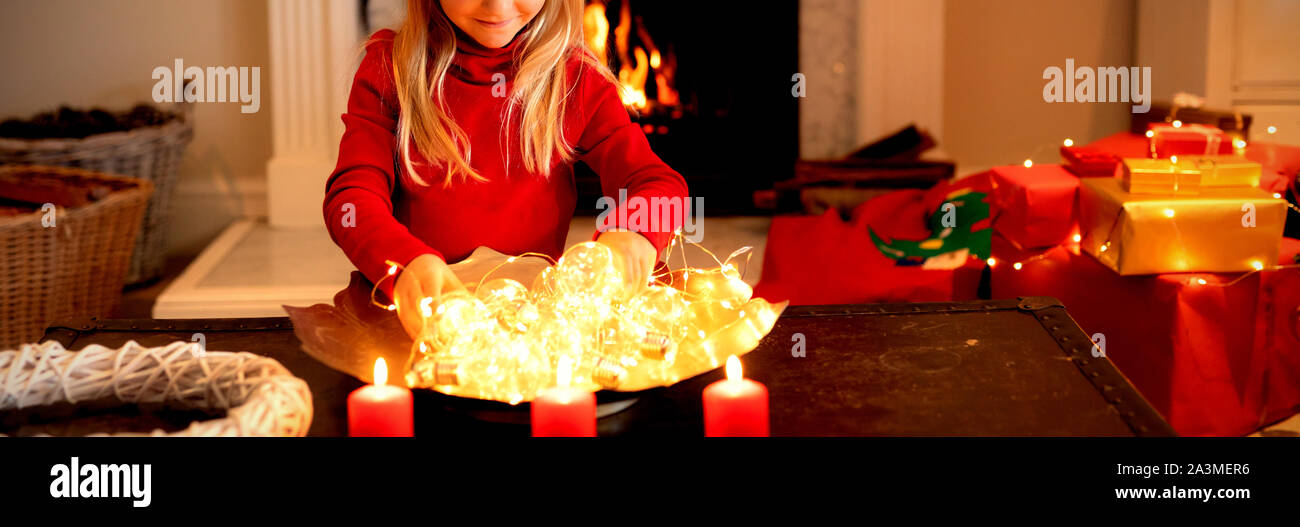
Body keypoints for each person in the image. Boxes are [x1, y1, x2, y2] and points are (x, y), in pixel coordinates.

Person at [324, 0, 689, 339]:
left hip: (528, 331)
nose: (497, 5)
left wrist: (634, 231)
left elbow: (661, 186)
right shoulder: (389, 68)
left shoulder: (576, 79)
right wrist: (405, 263)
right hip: (415, 325)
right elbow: (350, 204)